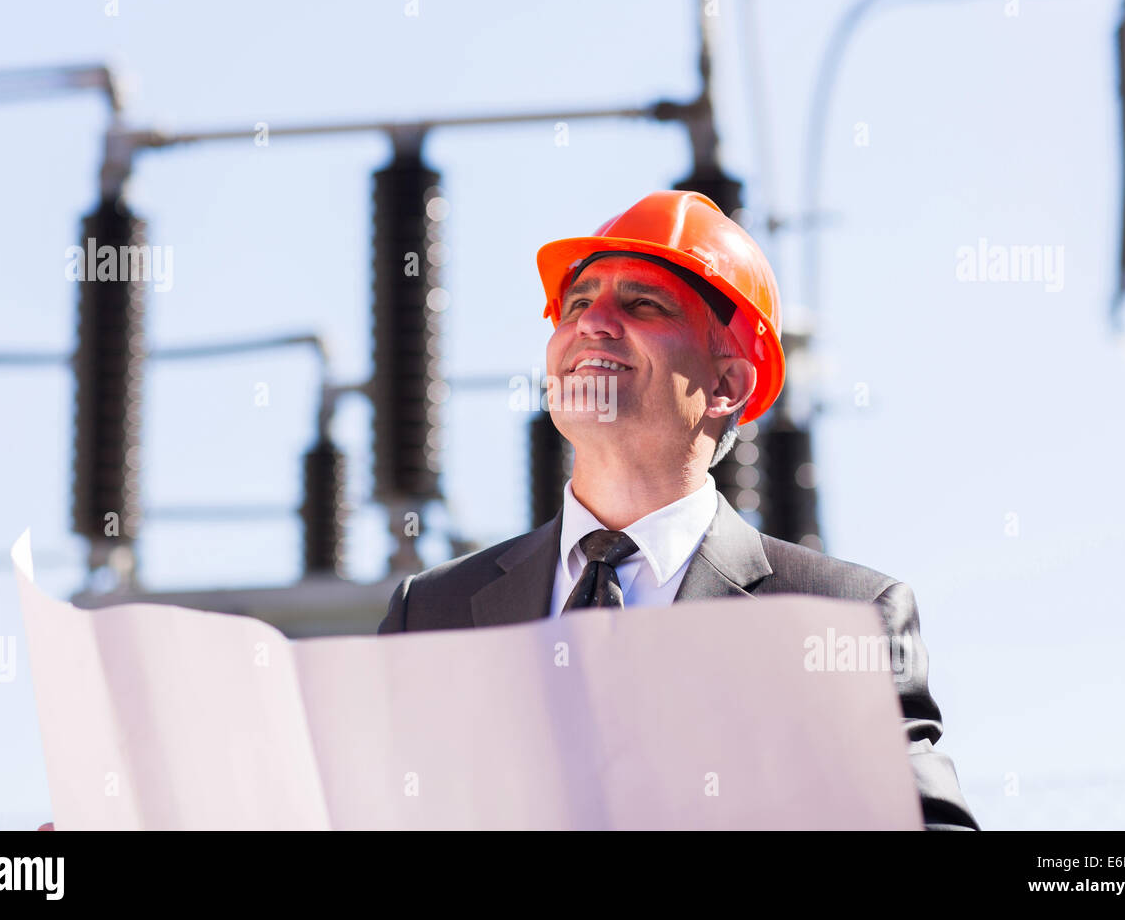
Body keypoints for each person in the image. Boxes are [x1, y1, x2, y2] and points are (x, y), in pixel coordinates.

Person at [378, 189, 979, 830]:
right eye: (577, 303)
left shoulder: (842, 620)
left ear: (727, 384)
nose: (592, 322)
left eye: (642, 304)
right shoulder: (432, 613)